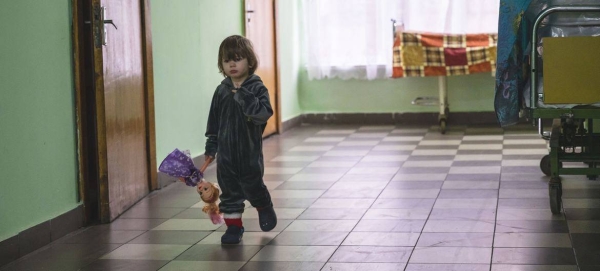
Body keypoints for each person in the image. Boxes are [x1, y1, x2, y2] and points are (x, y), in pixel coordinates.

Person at [204, 35, 277, 244]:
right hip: (226, 154)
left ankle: (263, 206)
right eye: (227, 61)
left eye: (237, 59)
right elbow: (214, 120)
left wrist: (244, 95)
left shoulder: (256, 88)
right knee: (230, 192)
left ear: (250, 61)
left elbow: (264, 113)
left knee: (252, 186)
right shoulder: (221, 91)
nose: (232, 64)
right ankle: (234, 228)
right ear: (222, 65)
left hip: (249, 152)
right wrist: (211, 145)